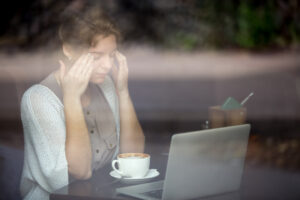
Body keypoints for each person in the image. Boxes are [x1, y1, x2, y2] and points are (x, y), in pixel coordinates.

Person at [19, 5, 145, 200]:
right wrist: (71, 98)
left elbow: (134, 156)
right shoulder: (38, 99)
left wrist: (123, 91)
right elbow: (80, 172)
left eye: (112, 55)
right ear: (68, 49)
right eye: (97, 56)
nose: (108, 65)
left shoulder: (107, 86)